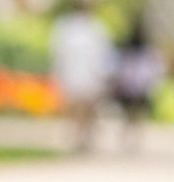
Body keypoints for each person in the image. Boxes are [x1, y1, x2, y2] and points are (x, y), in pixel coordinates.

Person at [51, 1, 115, 150]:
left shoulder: (96, 28)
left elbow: (103, 55)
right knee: (76, 107)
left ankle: (83, 136)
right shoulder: (67, 27)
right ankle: (78, 136)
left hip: (89, 75)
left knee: (86, 107)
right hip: (75, 73)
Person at [111, 18, 165, 137]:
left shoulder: (143, 50)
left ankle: (131, 132)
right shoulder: (138, 50)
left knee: (132, 112)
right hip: (134, 86)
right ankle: (132, 133)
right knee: (135, 112)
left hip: (134, 86)